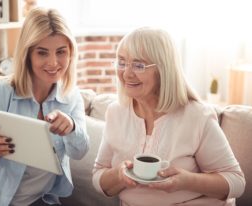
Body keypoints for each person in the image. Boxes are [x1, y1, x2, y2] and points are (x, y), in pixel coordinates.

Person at [92, 27, 245, 206]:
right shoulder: (115, 113)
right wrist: (118, 175)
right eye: (122, 62)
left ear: (163, 69)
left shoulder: (196, 116)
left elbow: (236, 182)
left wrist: (185, 181)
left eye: (139, 65)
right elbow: (98, 176)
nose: (126, 73)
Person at [0, 8, 89, 206]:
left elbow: (80, 152)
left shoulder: (71, 97)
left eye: (61, 52)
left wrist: (72, 128)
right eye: (42, 53)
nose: (53, 63)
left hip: (41, 201)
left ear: (71, 53)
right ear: (27, 54)